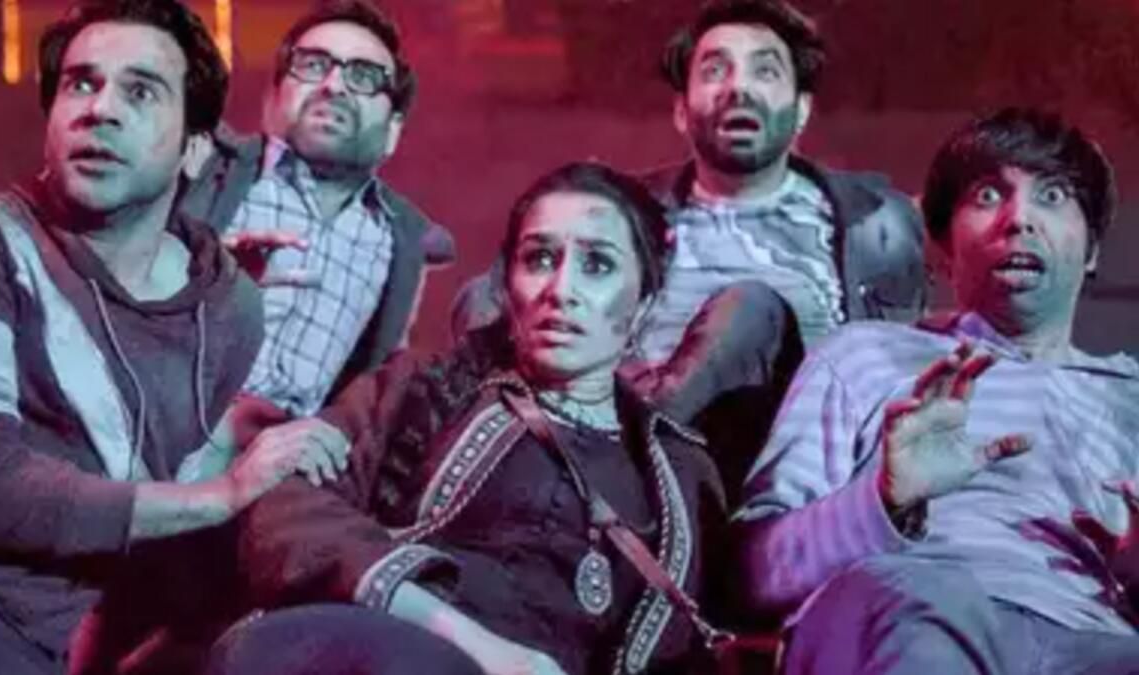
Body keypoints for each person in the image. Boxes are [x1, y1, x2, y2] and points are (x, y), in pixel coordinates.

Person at [0, 1, 343, 673]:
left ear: (195, 149)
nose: (100, 109)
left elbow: (168, 489)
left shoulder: (228, 306)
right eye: (81, 84)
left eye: (141, 91)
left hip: (83, 637)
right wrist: (221, 494)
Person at [207, 163, 731, 675]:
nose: (560, 289)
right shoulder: (428, 388)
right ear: (508, 287)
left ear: (644, 303)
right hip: (388, 644)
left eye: (597, 265)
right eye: (539, 259)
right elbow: (289, 512)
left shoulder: (677, 471)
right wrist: (478, 646)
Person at [453, 0, 925, 496]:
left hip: (775, 479)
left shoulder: (878, 224)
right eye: (714, 71)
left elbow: (891, 376)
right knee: (487, 300)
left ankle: (603, 466)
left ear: (801, 108)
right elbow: (487, 307)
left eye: (764, 71)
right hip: (612, 432)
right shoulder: (623, 212)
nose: (738, 88)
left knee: (749, 312)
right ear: (681, 110)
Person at [734, 108, 1139, 673]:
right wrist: (883, 502)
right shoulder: (862, 356)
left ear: (1092, 249)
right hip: (921, 608)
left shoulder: (1130, 397)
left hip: (1097, 640)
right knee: (921, 597)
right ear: (943, 248)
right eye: (988, 196)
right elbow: (753, 576)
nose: (1019, 219)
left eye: (1052, 196)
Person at [179, 0, 456, 425]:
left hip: (289, 455)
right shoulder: (203, 170)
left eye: (364, 76)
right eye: (312, 65)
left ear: (394, 129)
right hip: (170, 428)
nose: (333, 85)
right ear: (274, 95)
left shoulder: (402, 243)